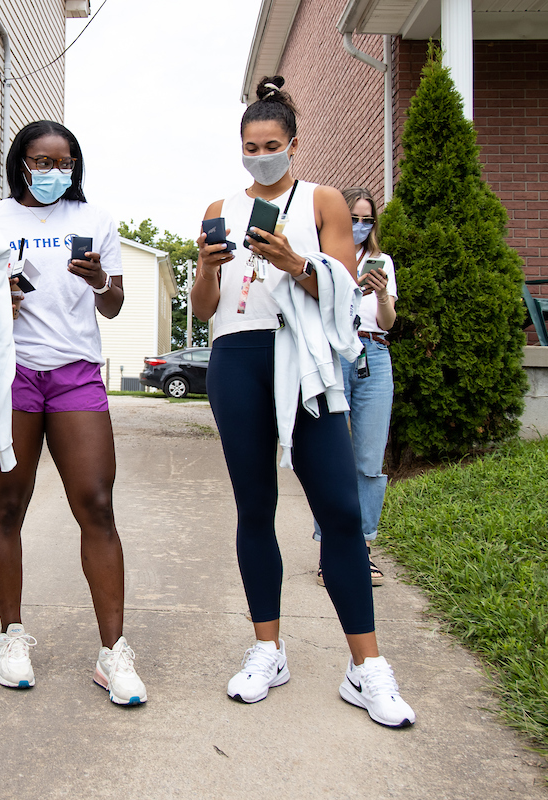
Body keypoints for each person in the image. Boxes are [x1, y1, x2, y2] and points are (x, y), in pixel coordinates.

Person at [190, 76, 415, 727]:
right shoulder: (217, 206)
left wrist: (294, 262)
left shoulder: (323, 201)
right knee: (254, 508)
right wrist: (206, 268)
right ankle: (268, 650)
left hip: (304, 362)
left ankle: (365, 668)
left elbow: (344, 293)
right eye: (250, 146)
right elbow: (203, 310)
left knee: (341, 510)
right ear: (240, 148)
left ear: (293, 144)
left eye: (272, 144)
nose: (260, 155)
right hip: (236, 359)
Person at [0, 120, 147, 706]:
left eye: (64, 162)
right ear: (20, 163)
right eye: (41, 162)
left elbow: (115, 303)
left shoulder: (95, 220)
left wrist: (102, 280)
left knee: (97, 504)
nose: (54, 172)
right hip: (13, 371)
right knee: (8, 504)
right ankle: (11, 635)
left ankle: (113, 652)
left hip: (75, 370)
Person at [314, 186, 398, 587]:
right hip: (335, 353)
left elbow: (388, 322)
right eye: (355, 217)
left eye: (368, 219)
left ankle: (362, 548)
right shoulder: (324, 258)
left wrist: (381, 295)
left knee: (368, 457)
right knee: (331, 455)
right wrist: (350, 290)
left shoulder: (383, 262)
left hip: (375, 353)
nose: (362, 225)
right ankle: (330, 547)